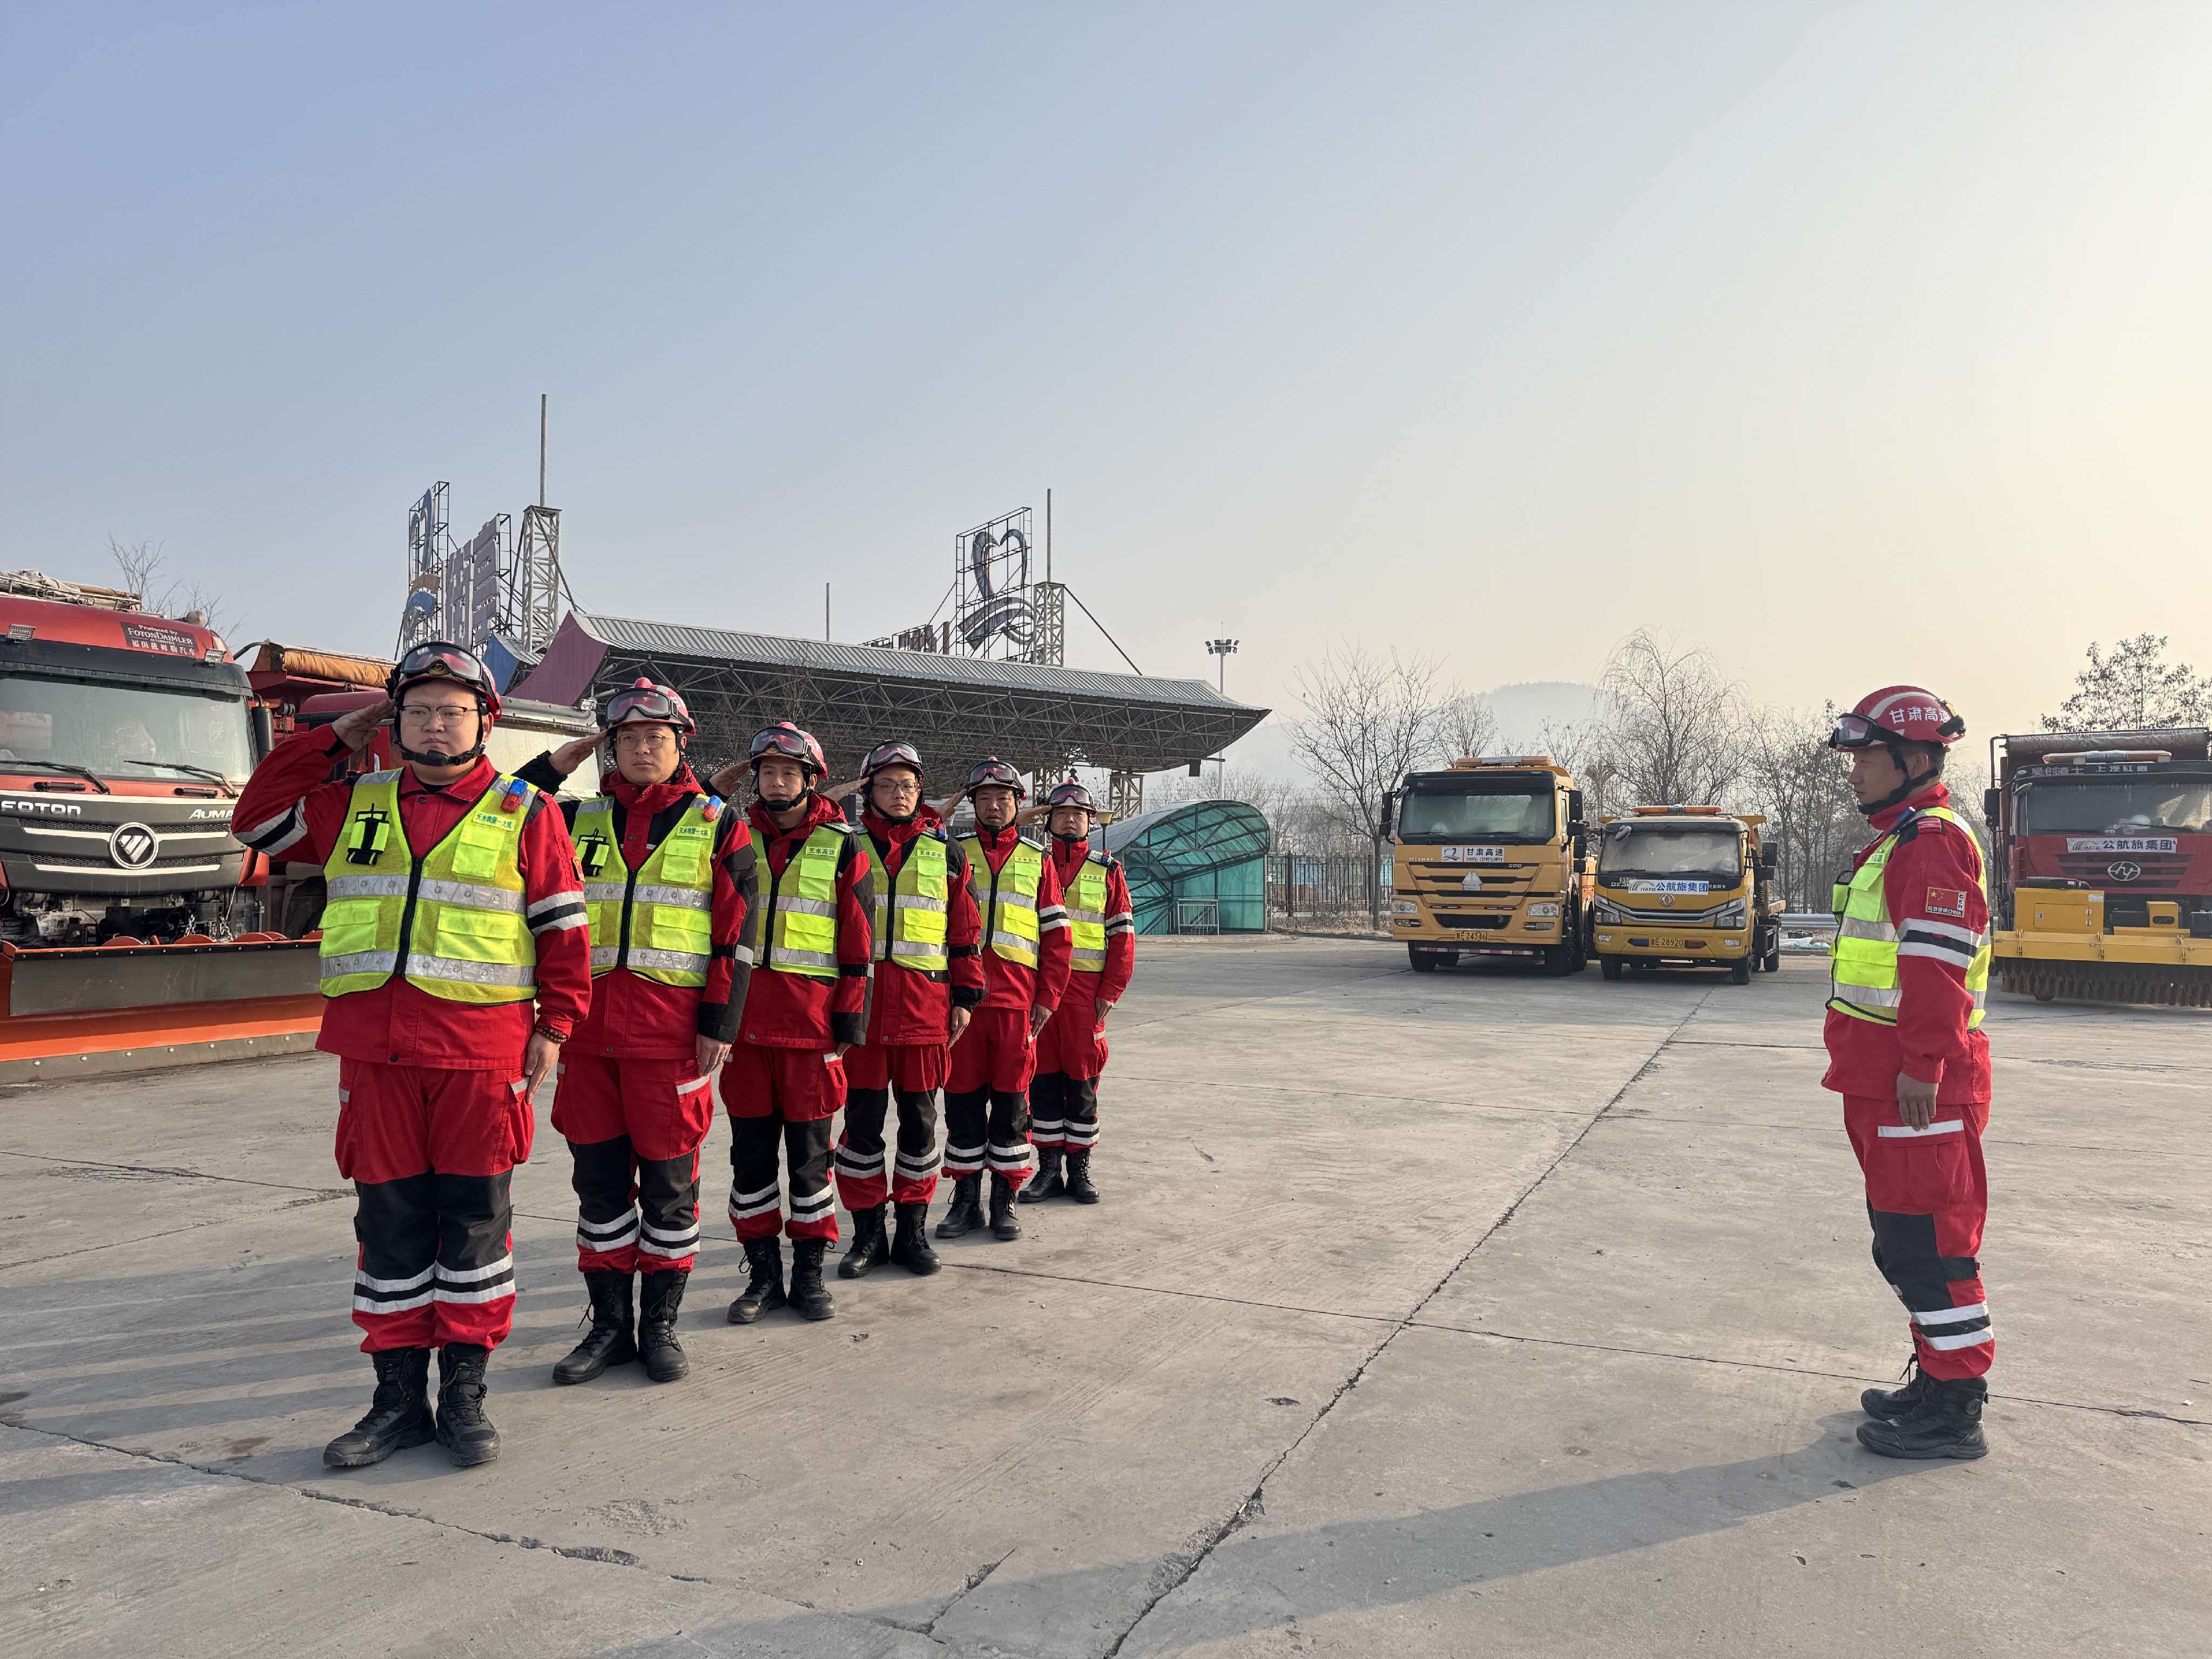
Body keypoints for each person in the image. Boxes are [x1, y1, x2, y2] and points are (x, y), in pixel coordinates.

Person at [233, 642, 589, 1470]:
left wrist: (556, 1026)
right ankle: (397, 1401)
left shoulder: (527, 812)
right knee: (388, 1226)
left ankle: (464, 1394)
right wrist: (333, 738)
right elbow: (254, 821)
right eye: (418, 710)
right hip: (376, 1054)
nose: (436, 726)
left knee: (473, 1227)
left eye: (452, 712)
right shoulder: (353, 803)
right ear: (393, 720)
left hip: (481, 1055)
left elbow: (564, 929)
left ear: (484, 724)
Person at [511, 680, 757, 1388]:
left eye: (657, 737)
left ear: (681, 746)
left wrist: (719, 1024)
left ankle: (659, 1327)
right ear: (609, 746)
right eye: (628, 738)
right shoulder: (573, 816)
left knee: (670, 1193)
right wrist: (555, 762)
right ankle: (611, 1328)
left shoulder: (718, 824)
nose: (643, 748)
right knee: (599, 1190)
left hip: (670, 1041)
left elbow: (737, 937)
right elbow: (500, 809)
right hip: (587, 1039)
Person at [1824, 685, 1995, 1460]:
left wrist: (1924, 1064)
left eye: (1868, 756)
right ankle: (1936, 1377)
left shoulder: (1930, 842)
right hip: (1883, 1077)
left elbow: (1935, 969)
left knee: (1931, 1244)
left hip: (1916, 1084)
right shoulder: (1902, 839)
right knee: (1902, 1239)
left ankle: (1955, 1407)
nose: (1855, 770)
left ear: (1914, 759)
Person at [715, 723, 874, 1323]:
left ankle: (809, 1275)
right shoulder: (730, 833)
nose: (776, 782)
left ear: (811, 780)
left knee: (810, 1164)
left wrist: (849, 1024)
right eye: (766, 772)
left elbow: (858, 941)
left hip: (811, 1033)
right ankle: (762, 1277)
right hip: (745, 1031)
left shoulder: (843, 845)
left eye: (789, 772)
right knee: (751, 1163)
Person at [830, 741, 986, 1278]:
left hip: (924, 1011)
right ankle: (867, 1234)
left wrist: (965, 997)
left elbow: (965, 933)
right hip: (864, 1013)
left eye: (908, 785)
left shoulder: (947, 853)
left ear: (921, 792)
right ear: (867, 791)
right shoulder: (844, 846)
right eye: (887, 785)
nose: (898, 794)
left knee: (920, 1126)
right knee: (861, 1126)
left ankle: (912, 1232)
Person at [940, 758, 1071, 1242]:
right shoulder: (953, 851)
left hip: (1018, 1004)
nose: (994, 806)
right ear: (972, 803)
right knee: (962, 1104)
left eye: (1003, 798)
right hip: (963, 1003)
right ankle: (966, 1200)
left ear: (1019, 804)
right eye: (985, 798)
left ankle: (1005, 1199)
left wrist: (1048, 997)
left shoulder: (1038, 859)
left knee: (1013, 1105)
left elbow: (1058, 936)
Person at [1023, 779, 1135, 1204]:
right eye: (1061, 814)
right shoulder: (1032, 863)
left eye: (1079, 815)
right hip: (1038, 992)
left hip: (1086, 996)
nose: (1070, 820)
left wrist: (1111, 990)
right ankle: (1049, 1169)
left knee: (1083, 1080)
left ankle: (1080, 1170)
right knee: (1043, 1080)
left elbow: (1123, 936)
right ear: (1047, 820)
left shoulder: (1108, 870)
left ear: (1090, 821)